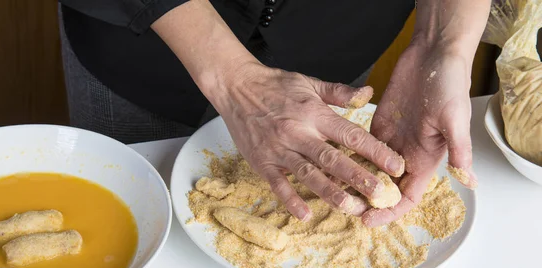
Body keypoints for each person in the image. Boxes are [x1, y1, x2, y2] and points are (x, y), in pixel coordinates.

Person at [58, 0, 488, 227]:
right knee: (126, 224)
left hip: (333, 46)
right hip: (147, 40)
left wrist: (442, 46)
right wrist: (235, 80)